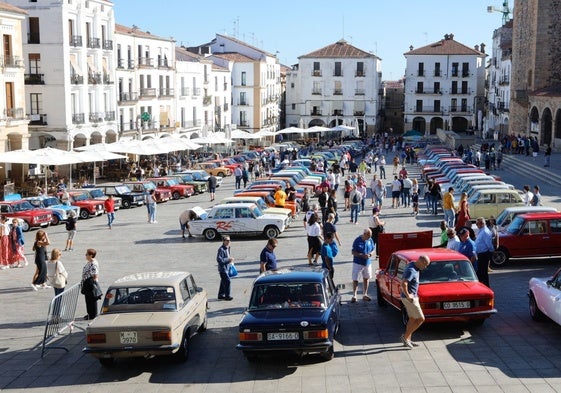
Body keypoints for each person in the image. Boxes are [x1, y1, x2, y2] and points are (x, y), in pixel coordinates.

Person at [400, 255, 431, 349]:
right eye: (425, 265)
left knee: (413, 318)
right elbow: (404, 283)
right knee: (421, 319)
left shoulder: (413, 265)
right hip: (410, 299)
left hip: (411, 297)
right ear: (421, 262)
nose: (425, 267)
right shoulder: (411, 270)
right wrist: (408, 295)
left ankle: (408, 339)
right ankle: (405, 337)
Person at [350, 228, 375, 303]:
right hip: (358, 262)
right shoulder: (357, 240)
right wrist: (361, 255)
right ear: (364, 234)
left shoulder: (370, 240)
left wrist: (370, 254)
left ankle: (365, 294)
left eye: (370, 236)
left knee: (366, 278)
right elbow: (353, 252)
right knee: (355, 279)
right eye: (368, 236)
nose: (369, 237)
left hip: (367, 262)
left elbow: (373, 249)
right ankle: (354, 295)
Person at [474, 217, 494, 287]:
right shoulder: (481, 230)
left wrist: (491, 252)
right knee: (481, 272)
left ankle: (486, 287)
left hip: (484, 254)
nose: (476, 225)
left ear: (482, 224)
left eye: (477, 224)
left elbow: (489, 245)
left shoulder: (485, 232)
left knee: (483, 272)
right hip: (481, 254)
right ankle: (482, 286)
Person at [82, 248, 100, 320]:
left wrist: (93, 284)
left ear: (91, 255)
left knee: (92, 300)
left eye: (86, 254)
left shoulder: (93, 264)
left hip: (91, 283)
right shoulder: (89, 262)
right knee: (88, 300)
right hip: (87, 282)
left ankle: (93, 315)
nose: (85, 255)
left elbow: (95, 275)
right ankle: (89, 313)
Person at [216, 236, 234, 301]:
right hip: (223, 269)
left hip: (227, 268)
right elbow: (219, 259)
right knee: (227, 281)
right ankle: (227, 296)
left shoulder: (228, 248)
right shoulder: (221, 249)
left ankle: (220, 295)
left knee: (223, 281)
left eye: (229, 240)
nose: (228, 241)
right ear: (223, 241)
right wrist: (228, 260)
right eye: (227, 240)